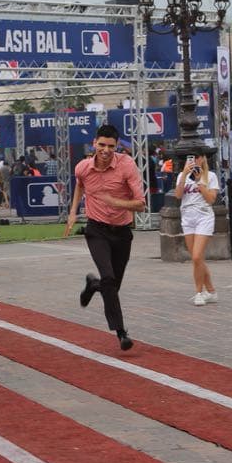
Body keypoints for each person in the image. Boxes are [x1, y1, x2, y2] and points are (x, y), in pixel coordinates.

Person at [66, 124, 145, 351]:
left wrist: (116, 202)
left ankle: (93, 285)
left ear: (117, 146)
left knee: (112, 286)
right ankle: (121, 332)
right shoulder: (82, 167)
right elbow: (80, 186)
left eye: (111, 146)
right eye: (102, 145)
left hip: (121, 232)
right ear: (94, 143)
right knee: (109, 279)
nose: (106, 150)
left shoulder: (127, 165)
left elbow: (140, 204)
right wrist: (73, 212)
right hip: (96, 230)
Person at [174, 153, 219, 305]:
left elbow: (211, 199)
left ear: (204, 158)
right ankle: (211, 291)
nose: (195, 160)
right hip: (187, 216)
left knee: (196, 256)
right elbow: (178, 195)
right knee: (197, 259)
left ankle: (199, 292)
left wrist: (200, 181)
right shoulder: (182, 175)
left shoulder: (210, 175)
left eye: (198, 157)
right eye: (191, 157)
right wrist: (185, 175)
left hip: (204, 216)